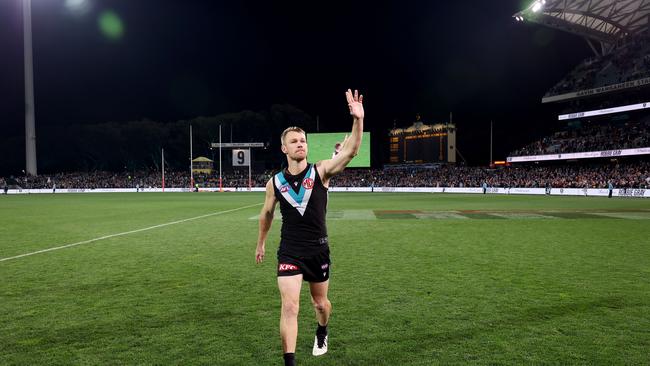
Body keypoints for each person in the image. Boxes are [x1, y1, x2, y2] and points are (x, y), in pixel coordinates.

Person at [256, 89, 364, 366]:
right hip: (289, 252)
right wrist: (261, 243)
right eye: (294, 141)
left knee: (320, 305)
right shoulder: (274, 183)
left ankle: (322, 331)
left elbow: (351, 151)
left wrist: (358, 120)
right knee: (290, 307)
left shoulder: (321, 171)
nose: (300, 144)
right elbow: (266, 214)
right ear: (284, 148)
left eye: (303, 140)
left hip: (318, 250)